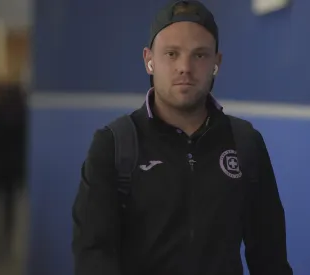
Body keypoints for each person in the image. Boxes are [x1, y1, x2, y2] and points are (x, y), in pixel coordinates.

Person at [72, 1, 293, 274]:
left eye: (199, 55)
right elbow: (93, 255)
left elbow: (270, 258)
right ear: (148, 60)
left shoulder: (245, 143)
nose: (185, 67)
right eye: (172, 54)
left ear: (216, 62)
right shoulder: (114, 145)